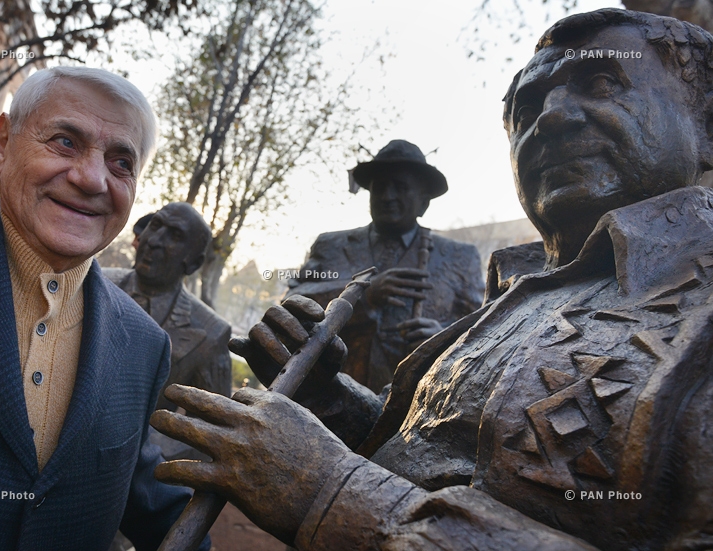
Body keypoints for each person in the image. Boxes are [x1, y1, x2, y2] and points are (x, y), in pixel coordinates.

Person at [151, 9, 713, 550]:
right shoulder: (361, 254)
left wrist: (330, 488)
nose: (550, 118)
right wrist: (328, 392)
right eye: (528, 106)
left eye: (602, 83)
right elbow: (432, 449)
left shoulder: (459, 257)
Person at [0, 67, 208, 551]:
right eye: (64, 142)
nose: (92, 178)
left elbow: (145, 498)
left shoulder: (144, 346)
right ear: (2, 145)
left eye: (122, 162)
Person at [287, 139, 484, 392]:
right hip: (326, 398)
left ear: (423, 203)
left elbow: (482, 334)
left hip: (414, 406)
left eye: (400, 187)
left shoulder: (461, 257)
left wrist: (443, 339)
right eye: (379, 187)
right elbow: (292, 304)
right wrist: (362, 296)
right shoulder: (330, 245)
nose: (388, 196)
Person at [104, 203, 232, 460]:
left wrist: (143, 451)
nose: (154, 241)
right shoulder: (96, 281)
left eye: (175, 236)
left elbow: (212, 430)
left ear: (193, 263)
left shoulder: (211, 333)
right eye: (156, 225)